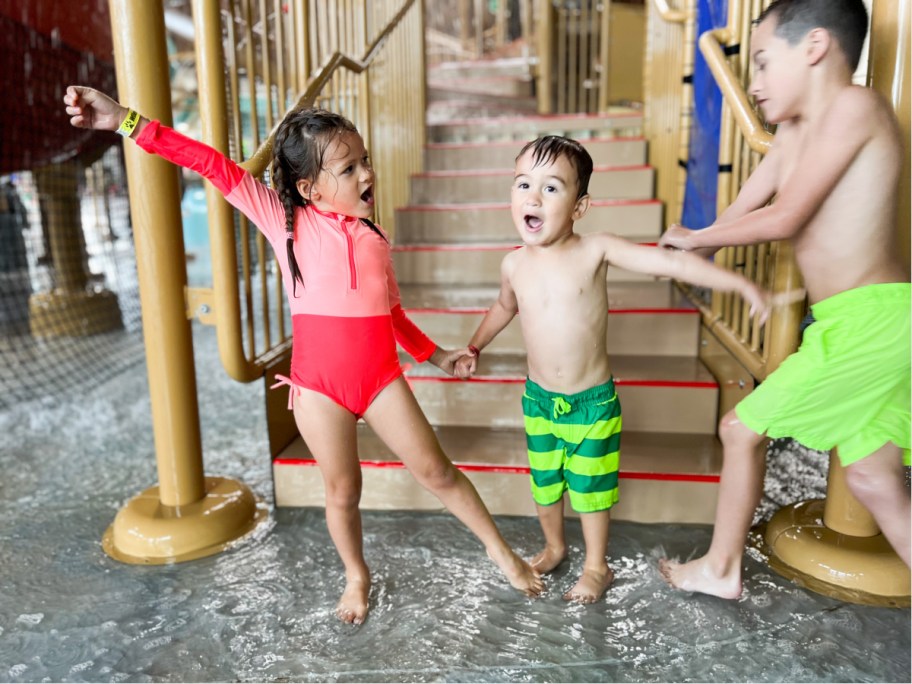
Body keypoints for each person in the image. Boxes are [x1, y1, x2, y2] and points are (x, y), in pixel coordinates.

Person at [64, 85, 543, 624]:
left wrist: (438, 356)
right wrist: (126, 120)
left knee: (436, 471)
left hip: (380, 378)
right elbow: (212, 165)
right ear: (310, 188)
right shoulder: (283, 222)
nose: (366, 174)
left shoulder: (375, 238)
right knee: (342, 490)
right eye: (348, 168)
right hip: (318, 388)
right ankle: (356, 575)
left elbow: (393, 315)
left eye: (365, 161)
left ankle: (501, 553)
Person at [657, 0, 911, 598]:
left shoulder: (857, 107)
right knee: (874, 479)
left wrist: (699, 238)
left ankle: (721, 570)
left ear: (816, 48)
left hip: (876, 321)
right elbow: (741, 215)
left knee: (740, 429)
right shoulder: (793, 135)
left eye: (766, 63)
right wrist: (696, 252)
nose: (757, 82)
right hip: (846, 323)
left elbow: (788, 215)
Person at [453, 134, 770, 603]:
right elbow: (504, 309)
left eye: (551, 188)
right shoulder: (514, 265)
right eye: (523, 185)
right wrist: (475, 345)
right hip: (539, 400)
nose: (533, 197)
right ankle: (555, 545)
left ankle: (597, 566)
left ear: (579, 207)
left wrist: (737, 285)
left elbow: (667, 263)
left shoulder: (594, 249)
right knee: (545, 485)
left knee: (592, 490)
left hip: (591, 404)